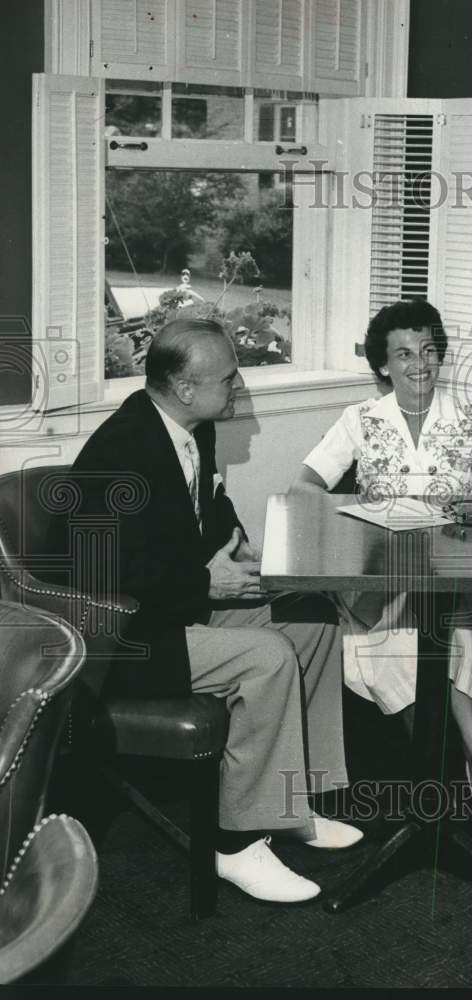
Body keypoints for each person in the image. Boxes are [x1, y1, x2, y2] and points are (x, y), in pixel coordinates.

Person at [49, 317, 361, 903]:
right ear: (185, 388)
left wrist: (241, 554)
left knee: (314, 621)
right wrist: (205, 582)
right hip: (122, 639)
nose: (239, 387)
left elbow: (210, 507)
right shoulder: (120, 454)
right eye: (229, 378)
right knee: (267, 656)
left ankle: (292, 804)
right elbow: (105, 578)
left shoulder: (193, 428)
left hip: (174, 610)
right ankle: (235, 842)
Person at [290, 299, 472, 823]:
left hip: (462, 582)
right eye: (403, 354)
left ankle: (453, 771)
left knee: (443, 631)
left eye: (429, 350)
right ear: (383, 365)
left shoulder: (471, 416)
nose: (419, 364)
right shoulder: (359, 420)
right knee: (409, 637)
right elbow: (304, 487)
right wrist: (344, 530)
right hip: (379, 589)